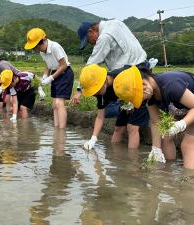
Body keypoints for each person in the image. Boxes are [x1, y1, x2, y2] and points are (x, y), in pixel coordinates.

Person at [71, 19, 149, 149]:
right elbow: (100, 115)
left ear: (91, 31)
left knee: (132, 126)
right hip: (135, 68)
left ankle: (130, 166)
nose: (91, 44)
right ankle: (116, 160)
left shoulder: (104, 38)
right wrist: (93, 139)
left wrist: (79, 90)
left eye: (89, 40)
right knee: (119, 126)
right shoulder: (116, 22)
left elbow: (91, 66)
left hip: (133, 77)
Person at [113, 66, 194, 169]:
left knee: (188, 144)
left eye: (140, 97)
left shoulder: (171, 86)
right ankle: (168, 172)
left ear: (144, 85)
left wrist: (182, 124)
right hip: (185, 108)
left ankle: (189, 180)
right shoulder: (151, 96)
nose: (141, 101)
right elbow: (156, 122)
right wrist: (156, 149)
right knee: (165, 137)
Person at [79, 64, 149, 149]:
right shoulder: (100, 94)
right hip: (125, 101)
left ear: (104, 81)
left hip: (140, 94)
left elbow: (140, 77)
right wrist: (93, 139)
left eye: (96, 91)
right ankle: (115, 157)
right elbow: (100, 117)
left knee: (132, 127)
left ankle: (132, 160)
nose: (95, 94)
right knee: (118, 128)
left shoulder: (122, 75)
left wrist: (133, 103)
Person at [24, 28, 74, 129]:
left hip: (65, 73)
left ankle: (62, 130)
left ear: (43, 40)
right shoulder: (42, 51)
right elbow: (47, 65)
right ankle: (56, 128)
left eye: (36, 46)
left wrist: (50, 78)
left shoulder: (55, 47)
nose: (36, 49)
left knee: (59, 103)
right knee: (54, 104)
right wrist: (45, 76)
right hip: (55, 73)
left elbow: (63, 65)